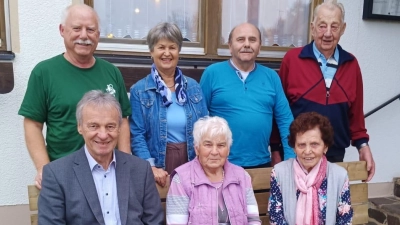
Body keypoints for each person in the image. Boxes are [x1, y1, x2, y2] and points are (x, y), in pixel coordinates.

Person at [18, 4, 131, 189]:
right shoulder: (44, 72)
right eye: (77, 28)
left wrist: (126, 163)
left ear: (98, 34)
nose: (84, 35)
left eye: (90, 29)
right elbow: (33, 124)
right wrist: (43, 167)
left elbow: (123, 121)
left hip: (108, 172)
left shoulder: (111, 72)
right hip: (64, 174)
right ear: (62, 30)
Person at [272, 0, 375, 181]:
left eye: (334, 26)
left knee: (328, 207)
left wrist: (363, 145)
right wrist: (275, 149)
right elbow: (278, 110)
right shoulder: (292, 59)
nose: (327, 33)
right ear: (312, 28)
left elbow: (356, 113)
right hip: (297, 152)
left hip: (334, 154)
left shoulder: (351, 64)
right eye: (322, 26)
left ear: (343, 29)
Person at [38, 90, 163, 225]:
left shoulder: (141, 169)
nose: (103, 135)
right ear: (80, 127)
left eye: (110, 126)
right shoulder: (56, 174)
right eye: (94, 126)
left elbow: (154, 221)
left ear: (119, 128)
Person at [200, 22, 295, 168]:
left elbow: (285, 119)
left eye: (252, 40)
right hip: (220, 163)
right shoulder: (212, 74)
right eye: (240, 40)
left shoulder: (271, 77)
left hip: (260, 162)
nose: (246, 44)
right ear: (230, 46)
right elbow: (198, 119)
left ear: (259, 46)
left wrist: (290, 158)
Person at [129, 22, 208, 187]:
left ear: (178, 50)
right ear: (151, 51)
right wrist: (150, 166)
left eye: (172, 47)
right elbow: (137, 134)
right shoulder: (139, 91)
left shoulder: (193, 87)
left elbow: (205, 128)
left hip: (192, 161)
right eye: (161, 47)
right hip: (159, 164)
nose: (167, 53)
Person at [166, 116, 261, 224]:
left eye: (221, 145)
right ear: (197, 149)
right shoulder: (181, 179)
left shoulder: (242, 176)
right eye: (208, 145)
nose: (215, 152)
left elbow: (253, 220)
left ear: (228, 150)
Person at [268, 112, 353, 224]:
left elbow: (345, 219)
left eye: (314, 144)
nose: (307, 151)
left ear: (325, 147)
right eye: (301, 145)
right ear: (294, 148)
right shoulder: (279, 173)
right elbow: (275, 216)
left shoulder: (340, 175)